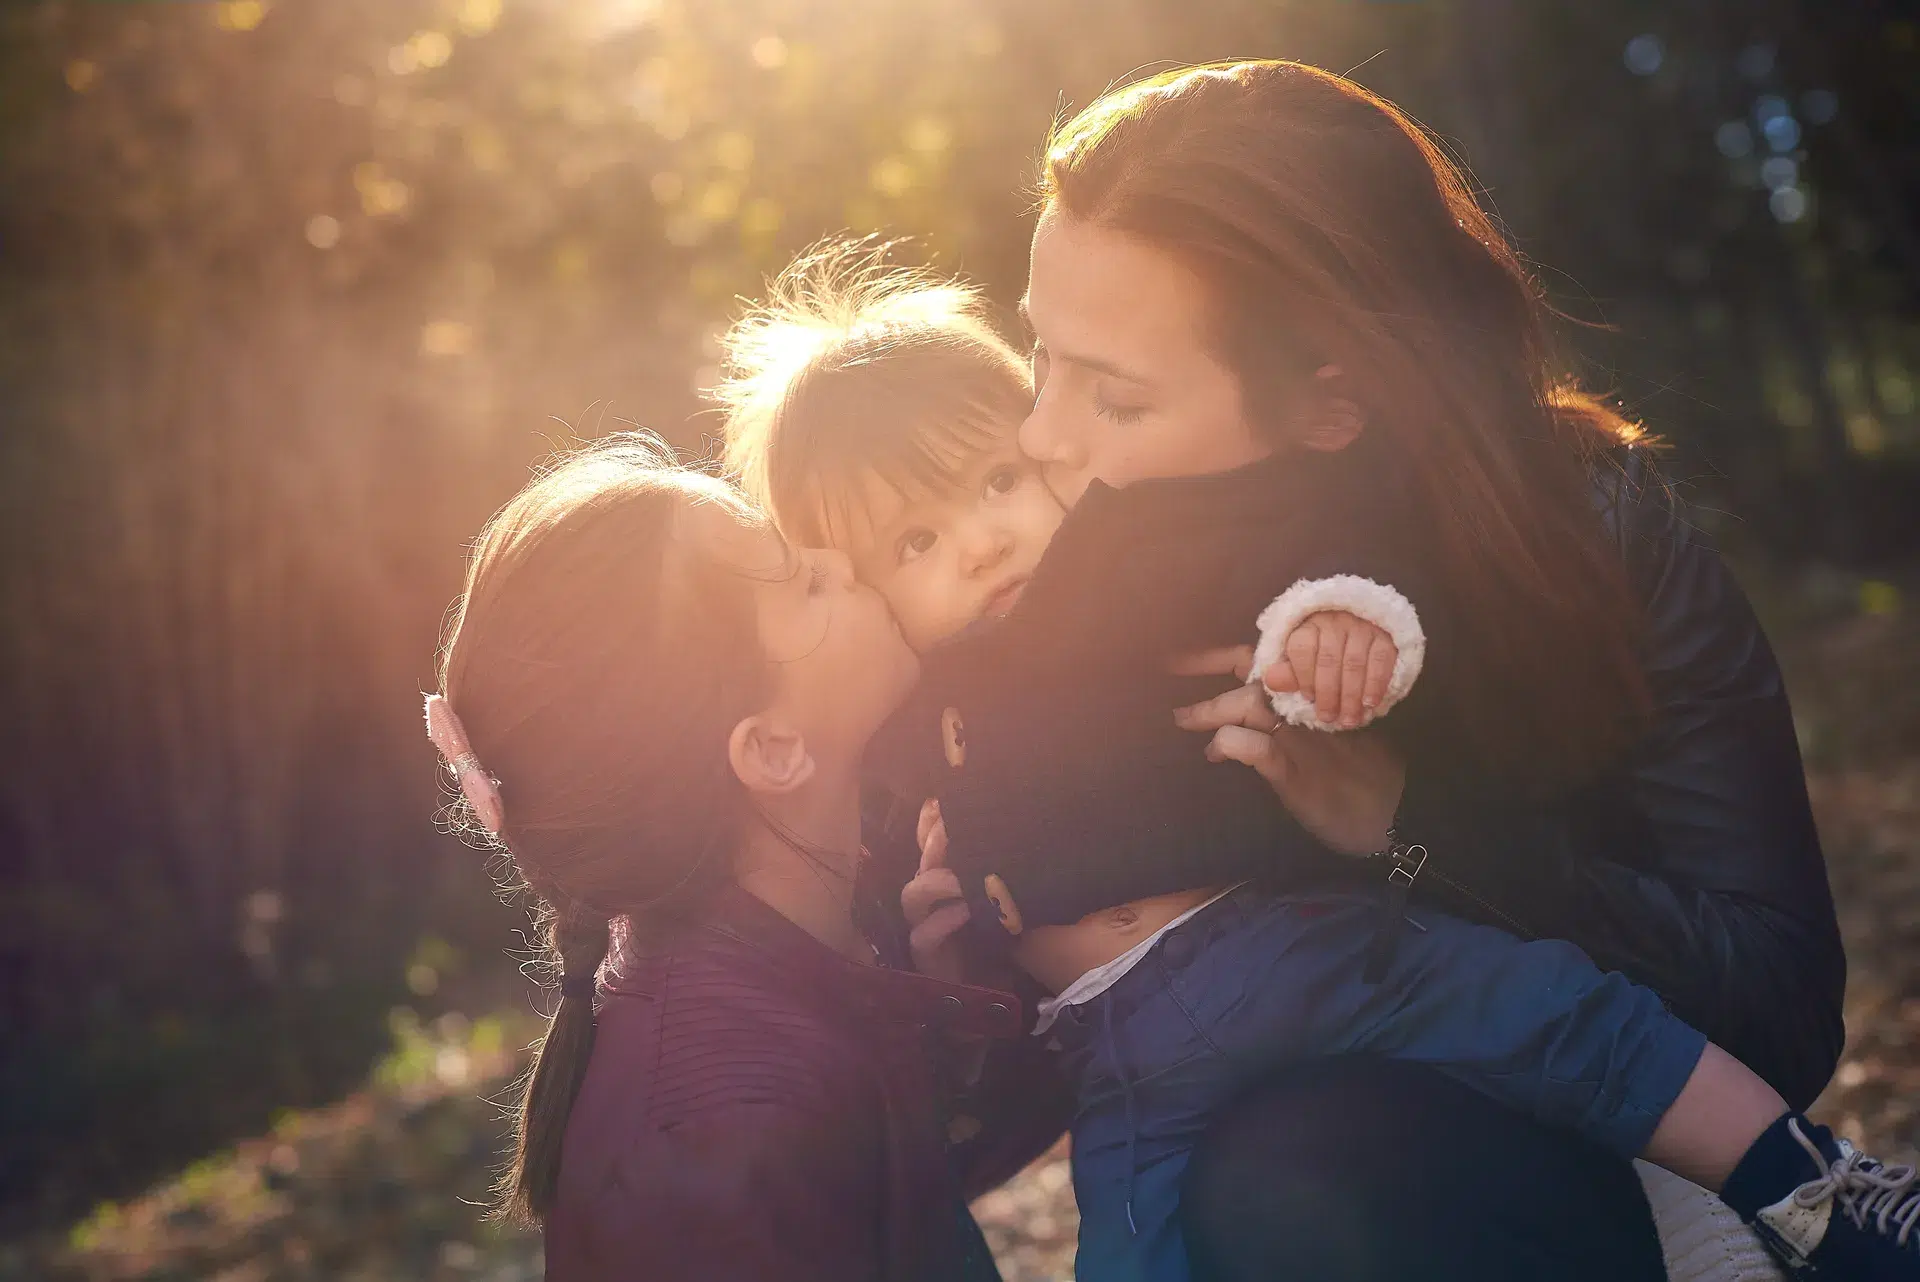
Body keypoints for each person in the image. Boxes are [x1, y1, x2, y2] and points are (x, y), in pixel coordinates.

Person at [711, 245, 1917, 1281]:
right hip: (1125, 1049)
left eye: (997, 481)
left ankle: (1807, 1190)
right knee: (1136, 1248)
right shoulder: (918, 724)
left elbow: (1293, 578)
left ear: (1050, 446)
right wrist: (953, 953)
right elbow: (980, 1000)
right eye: (916, 541)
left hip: (1302, 947)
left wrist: (1337, 629)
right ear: (870, 591)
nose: (980, 543)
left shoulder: (1129, 569)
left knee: (1554, 1016)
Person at [1015, 59, 1851, 1282]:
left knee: (1302, 1167)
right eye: (1038, 353)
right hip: (1252, 1143)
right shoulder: (1045, 566)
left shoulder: (1589, 533)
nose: (1041, 435)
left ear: (1330, 408)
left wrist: (1409, 823)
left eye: (1116, 399)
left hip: (1569, 1160)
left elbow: (1778, 1008)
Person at [422, 438, 1070, 1282]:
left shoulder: (822, 939)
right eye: (803, 580)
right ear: (771, 749)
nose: (839, 560)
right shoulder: (720, 1139)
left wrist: (945, 1021)